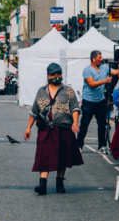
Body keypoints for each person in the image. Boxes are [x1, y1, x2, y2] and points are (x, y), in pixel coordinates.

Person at [24, 62, 82, 195]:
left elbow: (75, 108)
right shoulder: (41, 91)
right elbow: (34, 111)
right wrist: (28, 128)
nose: (56, 76)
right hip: (46, 129)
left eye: (58, 74)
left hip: (64, 129)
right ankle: (42, 184)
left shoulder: (68, 91)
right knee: (44, 156)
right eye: (53, 74)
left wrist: (75, 122)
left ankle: (60, 182)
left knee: (62, 156)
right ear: (48, 76)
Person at [76, 50, 112, 153]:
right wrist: (105, 81)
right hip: (89, 101)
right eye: (100, 57)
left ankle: (102, 145)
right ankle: (79, 146)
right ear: (94, 59)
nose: (102, 59)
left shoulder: (104, 68)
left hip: (101, 101)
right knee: (84, 124)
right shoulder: (87, 70)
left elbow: (115, 71)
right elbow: (91, 84)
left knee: (102, 125)